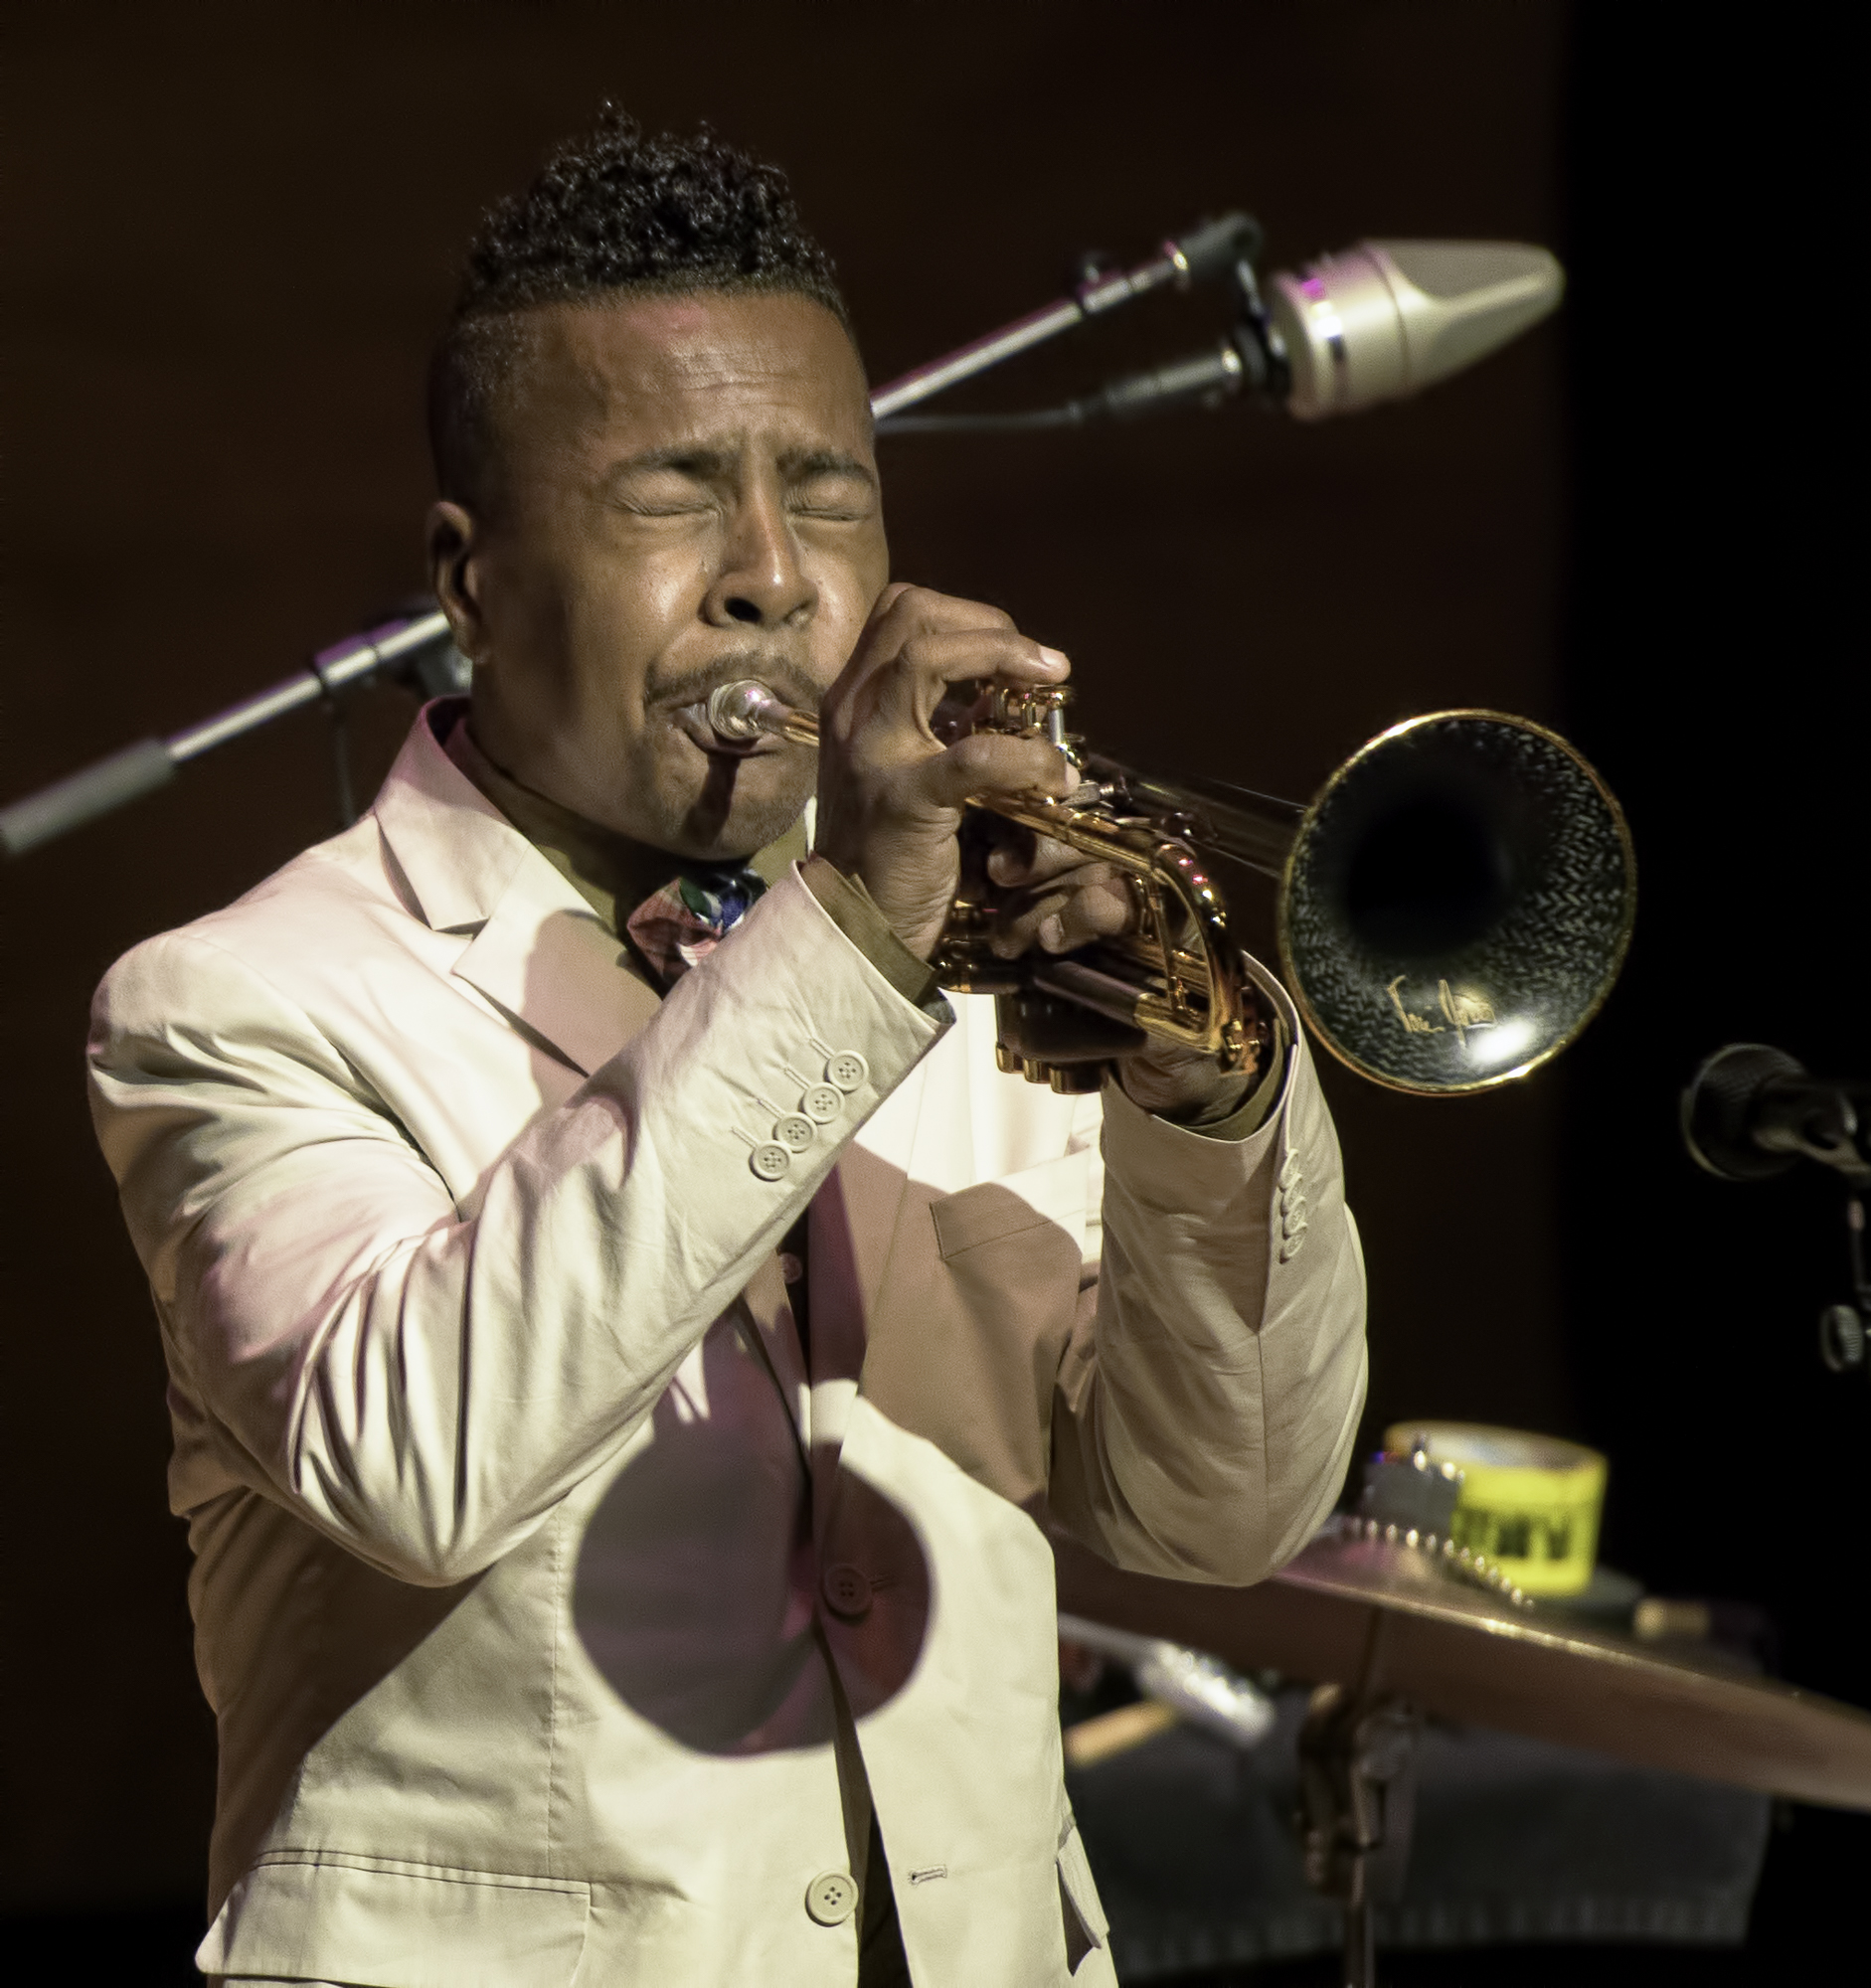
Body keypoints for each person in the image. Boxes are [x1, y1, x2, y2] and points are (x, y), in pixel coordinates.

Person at [87, 113, 1368, 1988]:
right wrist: (847, 935)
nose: (774, 575)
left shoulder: (959, 963)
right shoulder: (240, 1000)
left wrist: (1205, 1088)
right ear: (471, 579)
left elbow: (1219, 1512)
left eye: (831, 495)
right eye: (674, 497)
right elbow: (417, 1461)